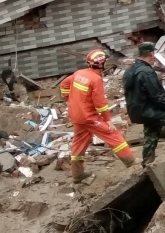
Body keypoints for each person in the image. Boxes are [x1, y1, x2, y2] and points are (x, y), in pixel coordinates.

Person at [57, 49, 135, 183]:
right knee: (112, 134)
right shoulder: (96, 79)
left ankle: (77, 175)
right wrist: (107, 120)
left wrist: (69, 99)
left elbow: (63, 84)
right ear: (102, 64)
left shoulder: (79, 73)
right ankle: (130, 161)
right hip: (88, 117)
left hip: (75, 115)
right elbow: (100, 104)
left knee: (78, 143)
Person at [122, 43, 165, 167]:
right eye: (154, 54)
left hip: (138, 112)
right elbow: (157, 96)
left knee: (152, 131)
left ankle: (147, 162)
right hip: (148, 111)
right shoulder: (146, 72)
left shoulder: (130, 70)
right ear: (151, 54)